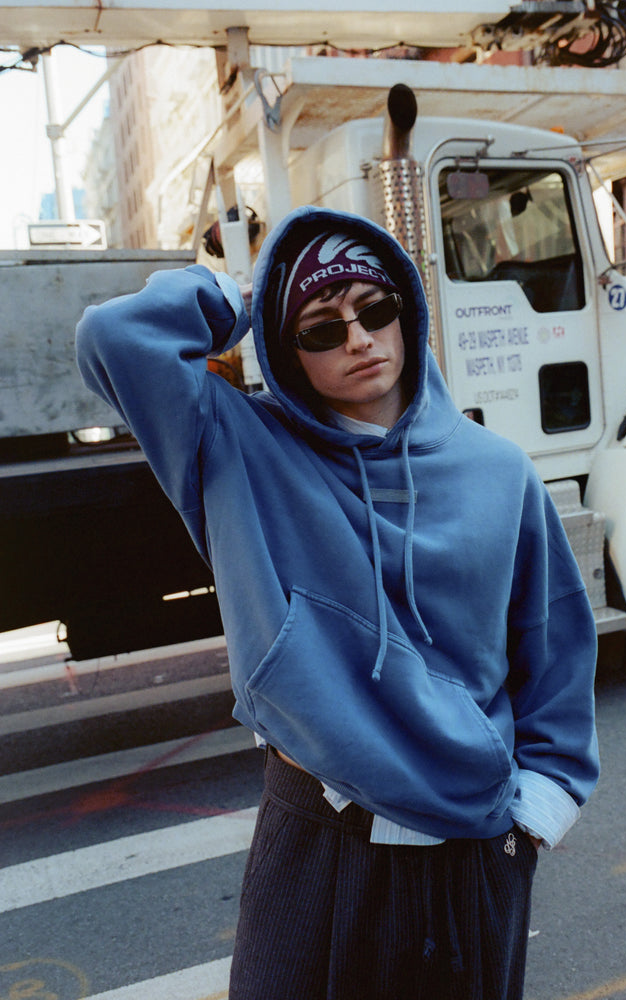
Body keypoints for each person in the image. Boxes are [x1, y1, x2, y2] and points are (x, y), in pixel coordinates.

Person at [76, 204, 599, 1000]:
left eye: (376, 309)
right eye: (321, 328)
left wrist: (530, 824)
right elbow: (113, 337)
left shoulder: (500, 471)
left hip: (471, 847)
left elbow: (556, 653)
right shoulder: (235, 447)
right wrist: (249, 294)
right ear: (285, 348)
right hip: (314, 839)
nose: (358, 339)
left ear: (407, 312)